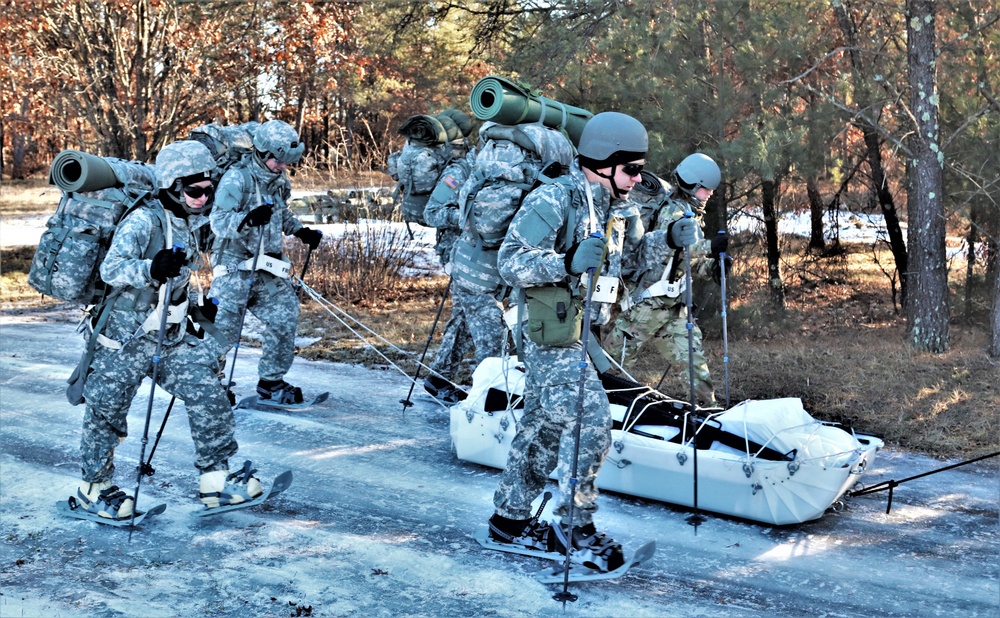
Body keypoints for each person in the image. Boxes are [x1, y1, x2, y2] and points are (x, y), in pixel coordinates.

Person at [486, 111, 648, 573]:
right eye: (631, 169)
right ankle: (573, 526)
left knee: (543, 427)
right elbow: (510, 261)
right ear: (602, 162)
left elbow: (622, 269)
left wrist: (666, 243)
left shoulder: (612, 207)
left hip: (575, 332)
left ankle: (509, 520)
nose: (636, 179)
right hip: (545, 330)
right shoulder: (556, 197)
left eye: (640, 169)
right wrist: (566, 262)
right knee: (587, 416)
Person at [71, 141, 263, 519]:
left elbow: (181, 275)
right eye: (194, 191)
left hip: (169, 337)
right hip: (123, 339)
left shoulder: (190, 222)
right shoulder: (144, 220)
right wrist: (150, 268)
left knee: (208, 392)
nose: (203, 197)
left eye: (208, 190)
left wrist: (195, 305)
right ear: (173, 186)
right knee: (107, 412)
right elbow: (112, 270)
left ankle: (215, 480)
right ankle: (93, 488)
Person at [208, 119, 323, 405]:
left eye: (287, 162)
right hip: (234, 268)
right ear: (262, 153)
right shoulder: (237, 179)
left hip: (267, 266)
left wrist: (300, 230)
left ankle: (271, 382)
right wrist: (246, 219)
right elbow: (218, 222)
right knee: (222, 331)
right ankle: (209, 383)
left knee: (284, 315)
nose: (283, 167)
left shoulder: (278, 180)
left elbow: (281, 212)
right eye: (278, 161)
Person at [605, 153, 727, 406]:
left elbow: (684, 263)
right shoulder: (674, 211)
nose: (710, 194)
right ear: (693, 186)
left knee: (694, 364)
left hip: (673, 307)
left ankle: (708, 413)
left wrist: (713, 268)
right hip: (646, 306)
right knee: (614, 366)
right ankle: (602, 405)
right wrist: (709, 247)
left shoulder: (690, 213)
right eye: (707, 189)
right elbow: (670, 247)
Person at [420, 111, 505, 404]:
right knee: (484, 326)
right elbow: (431, 213)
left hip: (485, 260)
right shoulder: (462, 171)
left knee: (464, 322)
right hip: (462, 256)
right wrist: (472, 219)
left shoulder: (501, 176)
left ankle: (438, 378)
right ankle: (488, 395)